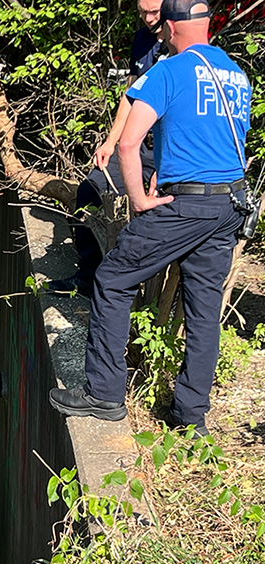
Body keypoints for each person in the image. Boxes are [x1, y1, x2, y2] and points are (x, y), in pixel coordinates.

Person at [49, 0, 251, 437]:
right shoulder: (236, 75)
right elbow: (209, 138)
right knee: (202, 310)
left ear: (174, 26)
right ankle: (190, 416)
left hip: (184, 207)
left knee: (114, 278)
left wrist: (139, 199)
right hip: (228, 205)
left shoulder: (169, 69)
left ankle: (103, 394)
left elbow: (128, 144)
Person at [50, 0, 168, 297]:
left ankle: (149, 296)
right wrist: (111, 141)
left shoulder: (180, 41)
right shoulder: (142, 40)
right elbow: (130, 95)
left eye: (155, 12)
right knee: (91, 190)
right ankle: (88, 277)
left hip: (169, 145)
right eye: (143, 11)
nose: (149, 18)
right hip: (135, 141)